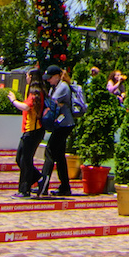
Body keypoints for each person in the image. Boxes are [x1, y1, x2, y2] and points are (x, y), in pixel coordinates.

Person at [43, 65, 85, 199]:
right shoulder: (56, 87)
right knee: (60, 156)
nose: (48, 80)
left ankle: (43, 184)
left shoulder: (62, 87)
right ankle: (65, 187)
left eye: (50, 78)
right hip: (63, 124)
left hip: (64, 125)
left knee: (49, 151)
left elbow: (51, 103)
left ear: (57, 76)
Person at [14, 79, 48, 197]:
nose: (26, 77)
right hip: (31, 131)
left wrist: (13, 100)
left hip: (32, 131)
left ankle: (24, 190)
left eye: (28, 76)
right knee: (21, 159)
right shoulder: (38, 92)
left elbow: (25, 107)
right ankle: (40, 179)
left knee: (25, 160)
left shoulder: (35, 94)